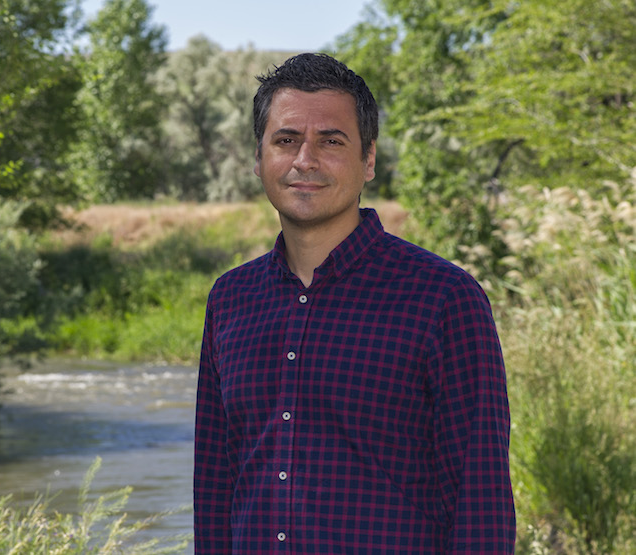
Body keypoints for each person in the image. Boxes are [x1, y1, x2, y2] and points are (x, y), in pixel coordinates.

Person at [194, 53, 515, 553]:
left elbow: (481, 501)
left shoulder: (443, 299)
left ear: (368, 160)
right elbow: (214, 489)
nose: (305, 159)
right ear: (258, 160)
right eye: (286, 140)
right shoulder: (230, 301)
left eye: (331, 140)